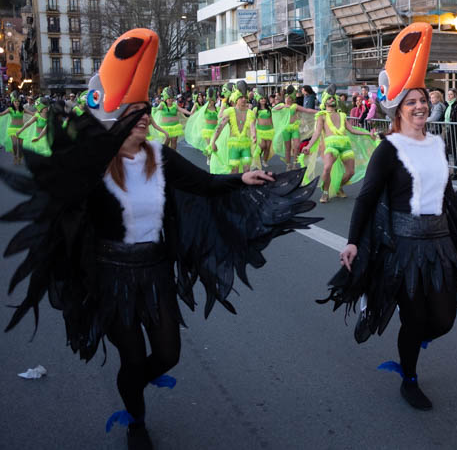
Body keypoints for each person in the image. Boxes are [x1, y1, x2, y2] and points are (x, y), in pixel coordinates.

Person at [0, 29, 320, 450]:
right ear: (117, 118)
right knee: (132, 356)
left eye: (146, 110)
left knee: (168, 354)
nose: (144, 117)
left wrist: (241, 178)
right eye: (135, 111)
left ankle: (132, 384)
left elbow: (204, 184)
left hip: (155, 272)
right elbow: (63, 208)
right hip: (111, 277)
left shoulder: (159, 155)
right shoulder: (95, 166)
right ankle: (136, 420)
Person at [320, 23, 457, 412]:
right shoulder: (388, 150)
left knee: (442, 321)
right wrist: (352, 241)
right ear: (398, 109)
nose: (420, 106)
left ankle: (413, 337)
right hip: (403, 251)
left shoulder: (436, 147)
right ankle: (409, 377)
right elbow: (367, 198)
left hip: (440, 247)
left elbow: (449, 198)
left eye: (423, 100)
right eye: (411, 102)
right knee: (415, 319)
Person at [301, 93, 376, 203]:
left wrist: (368, 134)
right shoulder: (322, 116)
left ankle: (338, 187)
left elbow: (352, 130)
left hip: (345, 145)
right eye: (329, 98)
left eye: (333, 98)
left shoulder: (342, 115)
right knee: (327, 168)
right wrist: (308, 146)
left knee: (350, 172)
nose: (332, 99)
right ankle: (325, 193)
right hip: (331, 145)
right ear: (324, 102)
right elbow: (317, 133)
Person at [210, 82, 257, 174]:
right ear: (236, 98)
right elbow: (220, 127)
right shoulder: (230, 112)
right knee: (234, 170)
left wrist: (254, 135)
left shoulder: (250, 113)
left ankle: (245, 183)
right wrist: (213, 142)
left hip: (245, 144)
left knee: (247, 169)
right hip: (233, 145)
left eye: (245, 97)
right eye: (241, 97)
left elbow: (252, 126)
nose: (244, 99)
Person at [0, 92, 27, 164]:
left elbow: (33, 114)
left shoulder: (22, 109)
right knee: (14, 145)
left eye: (18, 101)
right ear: (13, 102)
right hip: (12, 129)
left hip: (21, 129)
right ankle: (15, 156)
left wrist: (41, 112)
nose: (17, 102)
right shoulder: (10, 109)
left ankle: (20, 158)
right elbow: (1, 114)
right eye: (15, 101)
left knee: (20, 146)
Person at [444, 88, 457, 179]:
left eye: (451, 94)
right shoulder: (447, 105)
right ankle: (447, 171)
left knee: (456, 152)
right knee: (446, 151)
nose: (449, 96)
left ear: (455, 95)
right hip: (448, 130)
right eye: (448, 94)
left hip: (455, 132)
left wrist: (454, 130)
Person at [254, 87, 275, 167]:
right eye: (261, 98)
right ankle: (258, 157)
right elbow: (253, 121)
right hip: (260, 130)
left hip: (269, 130)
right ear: (258, 100)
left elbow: (271, 119)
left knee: (268, 147)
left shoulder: (269, 109)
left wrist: (273, 128)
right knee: (263, 145)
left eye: (264, 98)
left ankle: (264, 161)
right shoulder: (256, 109)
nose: (263, 100)